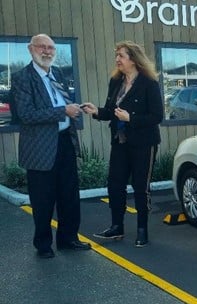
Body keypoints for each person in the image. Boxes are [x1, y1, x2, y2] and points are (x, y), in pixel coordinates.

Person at [10, 34, 91, 258]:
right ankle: (43, 245)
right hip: (39, 148)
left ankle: (68, 239)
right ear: (31, 49)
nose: (47, 51)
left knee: (69, 195)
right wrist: (63, 111)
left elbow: (61, 102)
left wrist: (74, 107)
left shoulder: (57, 74)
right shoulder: (22, 78)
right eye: (42, 47)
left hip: (64, 141)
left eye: (51, 48)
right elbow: (26, 114)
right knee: (43, 199)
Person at [82, 41, 163, 247]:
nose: (117, 59)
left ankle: (142, 230)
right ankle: (116, 227)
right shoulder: (116, 82)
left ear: (134, 59)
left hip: (144, 143)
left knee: (140, 187)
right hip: (120, 141)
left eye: (122, 56)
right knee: (115, 184)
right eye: (116, 55)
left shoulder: (149, 83)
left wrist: (131, 118)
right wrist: (97, 111)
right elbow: (112, 112)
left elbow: (157, 116)